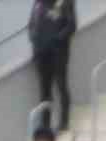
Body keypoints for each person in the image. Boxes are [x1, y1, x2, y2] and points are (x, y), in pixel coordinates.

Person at [30, 0, 76, 132]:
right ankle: (45, 124)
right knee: (44, 91)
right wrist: (34, 40)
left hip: (58, 54)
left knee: (61, 86)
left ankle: (64, 122)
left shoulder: (66, 2)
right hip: (41, 54)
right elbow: (32, 25)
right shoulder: (38, 3)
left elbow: (71, 26)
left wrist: (55, 40)